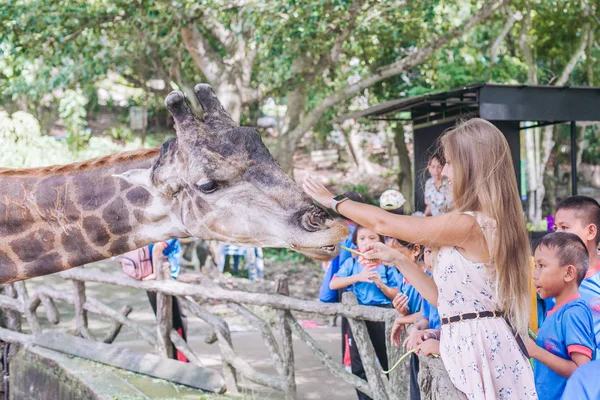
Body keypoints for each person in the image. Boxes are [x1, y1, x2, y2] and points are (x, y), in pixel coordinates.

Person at [304, 118, 537, 399]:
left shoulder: (469, 224)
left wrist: (334, 201)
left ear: (471, 166)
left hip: (478, 347)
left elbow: (384, 223)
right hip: (468, 341)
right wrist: (399, 260)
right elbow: (443, 300)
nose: (444, 172)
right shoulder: (476, 223)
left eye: (449, 162)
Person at [330, 225, 400, 400]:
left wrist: (380, 284)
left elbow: (397, 293)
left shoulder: (387, 265)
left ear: (381, 242)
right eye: (362, 239)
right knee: (359, 364)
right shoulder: (351, 264)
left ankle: (398, 395)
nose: (367, 243)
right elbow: (334, 283)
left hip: (384, 316)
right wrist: (358, 277)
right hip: (358, 317)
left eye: (372, 238)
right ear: (355, 244)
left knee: (390, 362)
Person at [525, 232, 595, 399]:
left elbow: (582, 370)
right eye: (535, 266)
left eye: (542, 266)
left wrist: (536, 351)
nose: (535, 275)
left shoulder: (574, 313)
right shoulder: (557, 311)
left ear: (569, 273)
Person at [319, 191, 365, 372]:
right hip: (352, 283)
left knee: (348, 326)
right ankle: (352, 361)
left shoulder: (339, 230)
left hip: (341, 282)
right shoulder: (353, 231)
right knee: (352, 326)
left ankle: (349, 361)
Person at [552, 195, 600, 356]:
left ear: (591, 231)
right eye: (555, 228)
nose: (557, 235)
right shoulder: (548, 278)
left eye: (564, 227)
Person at [144, 239, 189, 362]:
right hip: (164, 280)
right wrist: (154, 273)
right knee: (178, 321)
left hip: (149, 281)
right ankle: (180, 359)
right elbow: (158, 247)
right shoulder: (170, 229)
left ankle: (170, 356)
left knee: (163, 320)